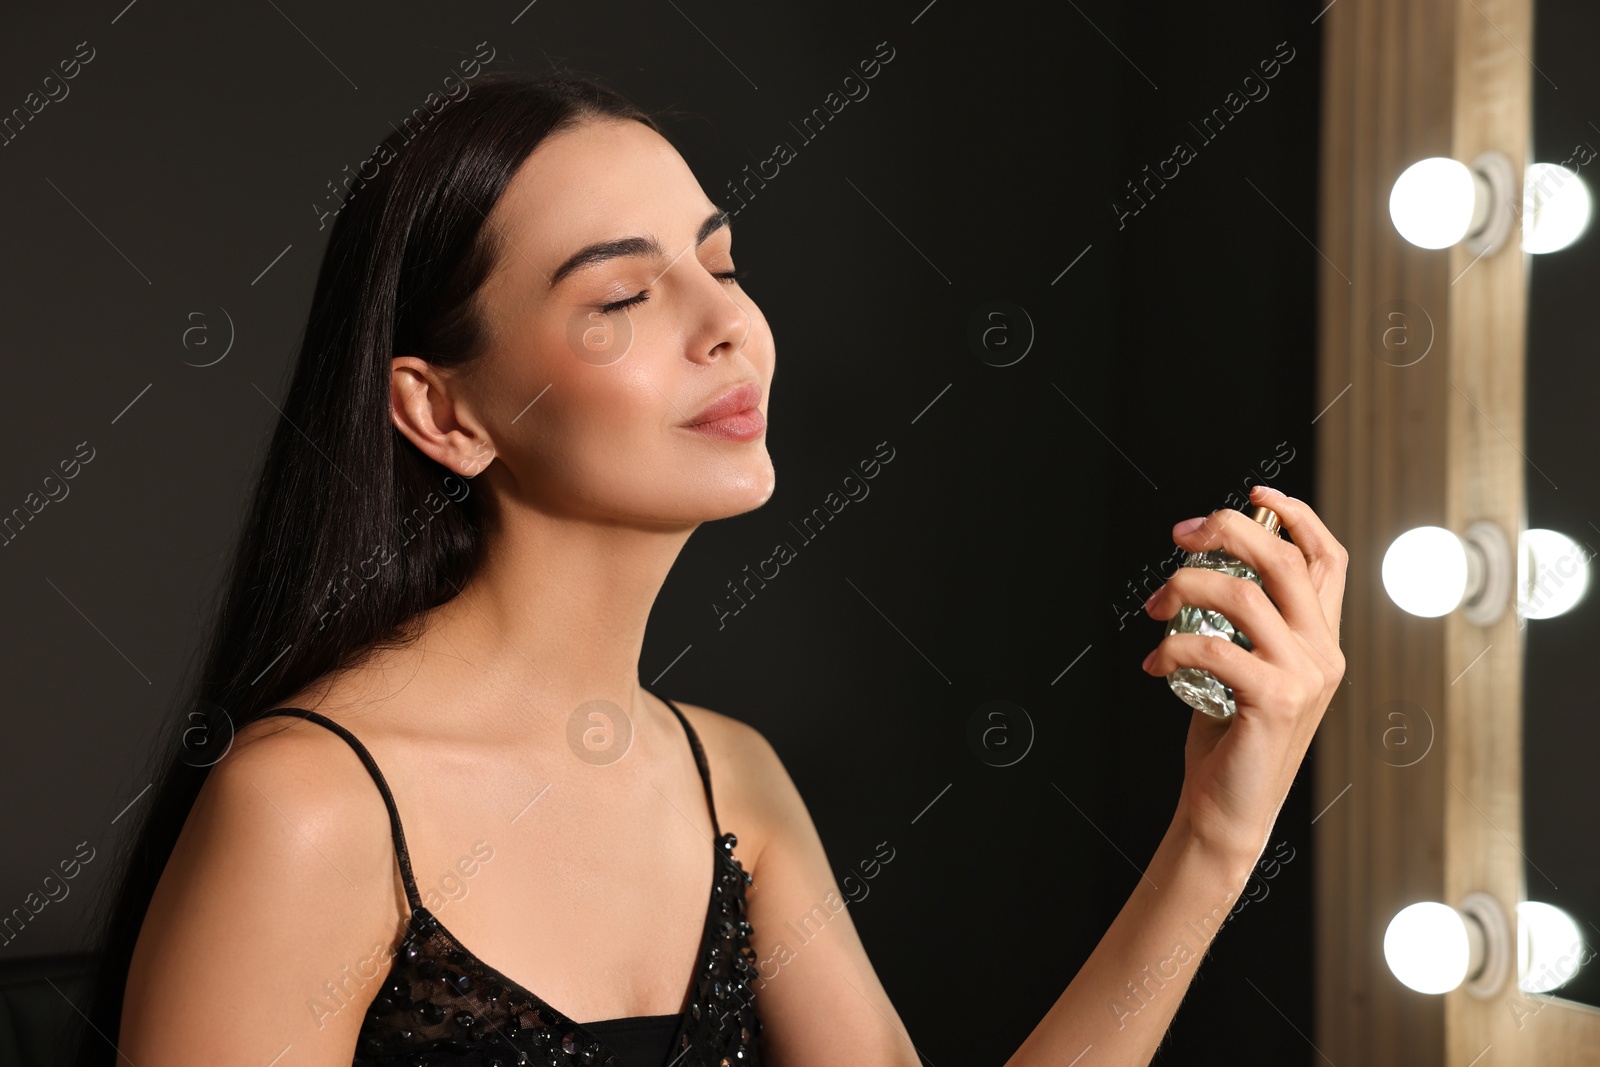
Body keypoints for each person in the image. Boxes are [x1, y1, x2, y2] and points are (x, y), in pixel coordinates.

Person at [71, 70, 1349, 1067]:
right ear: (441, 410)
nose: (728, 323)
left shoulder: (728, 781)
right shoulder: (309, 809)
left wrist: (1215, 832)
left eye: (722, 265)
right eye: (622, 297)